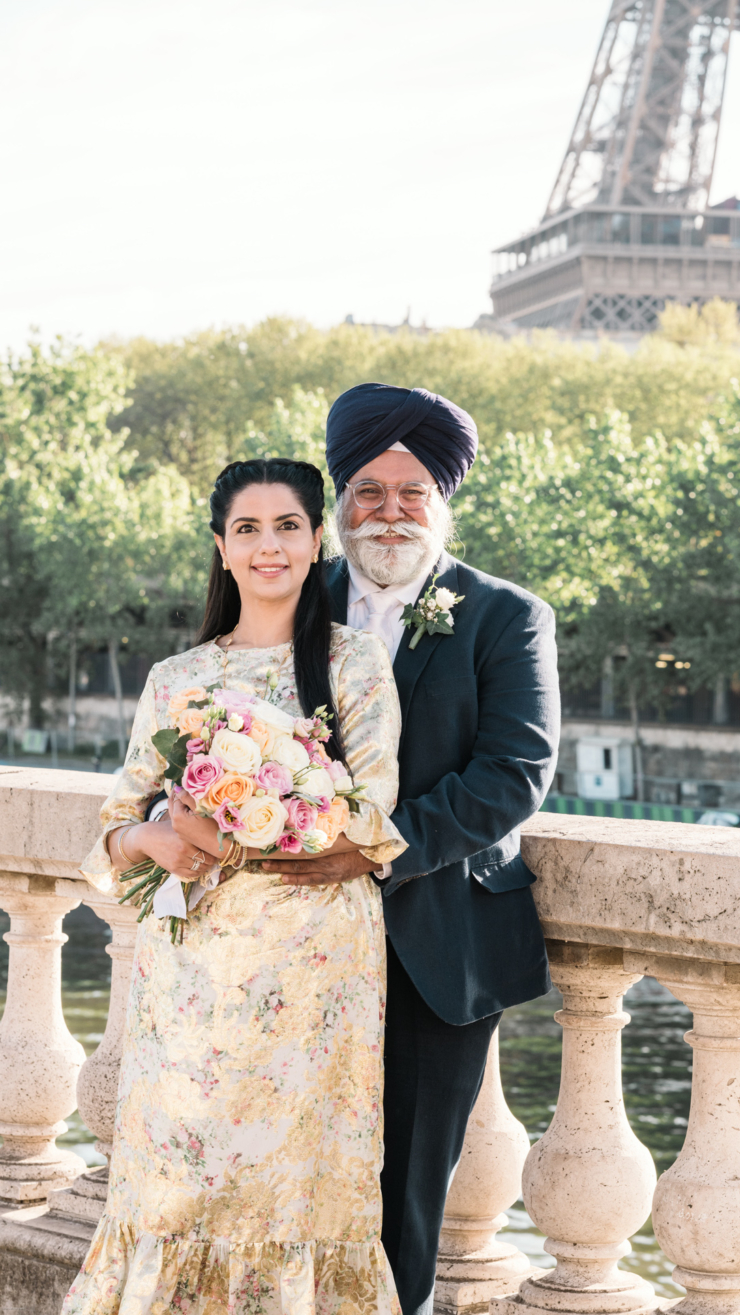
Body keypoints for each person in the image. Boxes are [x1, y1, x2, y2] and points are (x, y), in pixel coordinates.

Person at [64, 457, 406, 1315]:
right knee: (180, 1184)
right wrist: (159, 839)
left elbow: (370, 818)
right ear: (221, 548)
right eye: (247, 529)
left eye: (287, 526)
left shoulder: (354, 664)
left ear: (317, 540)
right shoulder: (177, 679)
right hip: (191, 981)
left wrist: (252, 820)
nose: (268, 546)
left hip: (315, 975)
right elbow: (110, 838)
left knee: (298, 1188)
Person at [265, 385, 561, 1315]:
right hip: (286, 941)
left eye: (412, 493)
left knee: (405, 1192)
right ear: (339, 502)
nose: (389, 512)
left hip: (436, 943)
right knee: (281, 1167)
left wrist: (375, 851)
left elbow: (515, 772)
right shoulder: (285, 599)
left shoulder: (506, 615)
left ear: (445, 503)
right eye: (368, 491)